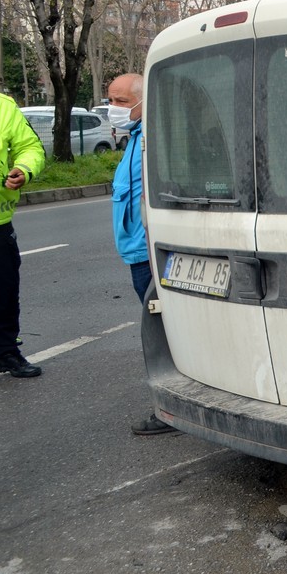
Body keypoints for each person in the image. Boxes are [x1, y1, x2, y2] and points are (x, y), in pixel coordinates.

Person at [107, 73, 174, 435]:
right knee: (162, 328)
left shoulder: (152, 136)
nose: (112, 108)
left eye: (119, 101)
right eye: (111, 100)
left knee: (162, 332)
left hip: (148, 252)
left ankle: (169, 408)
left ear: (140, 100)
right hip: (137, 252)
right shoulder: (135, 138)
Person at [0, 92, 46, 378]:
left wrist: (24, 169)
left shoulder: (3, 107)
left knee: (4, 291)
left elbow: (30, 147)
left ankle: (5, 352)